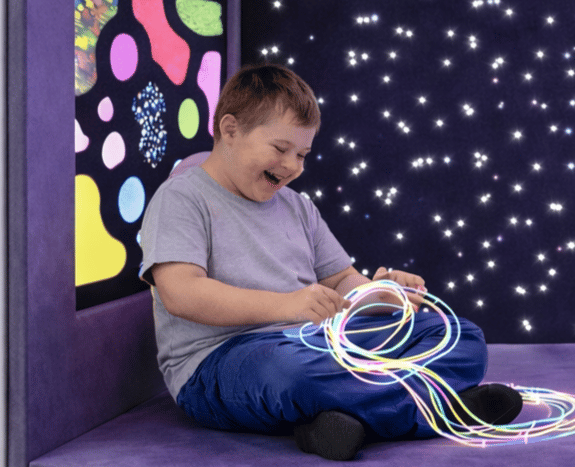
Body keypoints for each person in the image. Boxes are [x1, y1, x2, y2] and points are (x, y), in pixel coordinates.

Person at [138, 63, 522, 461]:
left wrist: (382, 294)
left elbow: (341, 281)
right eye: (280, 149)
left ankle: (338, 423)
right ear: (230, 129)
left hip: (317, 343)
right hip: (221, 361)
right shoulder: (181, 198)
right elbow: (180, 294)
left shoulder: (297, 208)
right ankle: (443, 410)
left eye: (302, 154)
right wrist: (287, 306)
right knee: (294, 374)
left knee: (461, 336)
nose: (292, 167)